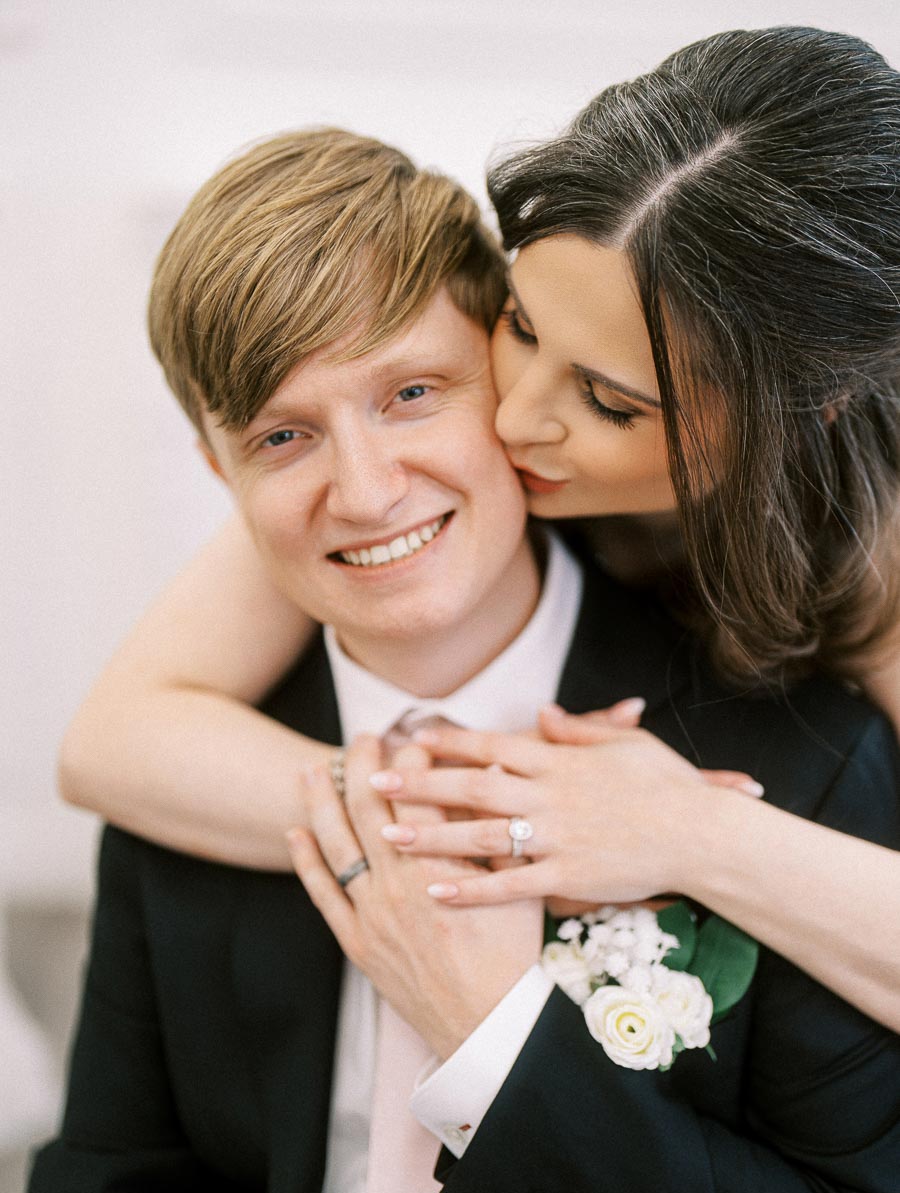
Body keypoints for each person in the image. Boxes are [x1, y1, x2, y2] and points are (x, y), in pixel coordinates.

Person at [23, 116, 900, 1193]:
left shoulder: (803, 744)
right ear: (217, 467)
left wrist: (503, 1046)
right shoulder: (199, 769)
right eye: (282, 435)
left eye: (414, 393)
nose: (370, 488)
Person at [57, 25, 900, 1035]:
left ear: (801, 411)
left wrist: (693, 834)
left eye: (610, 402)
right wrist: (483, 810)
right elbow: (115, 745)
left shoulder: (879, 555)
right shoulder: (390, 475)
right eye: (526, 327)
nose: (514, 419)